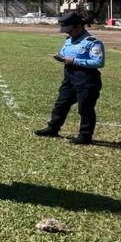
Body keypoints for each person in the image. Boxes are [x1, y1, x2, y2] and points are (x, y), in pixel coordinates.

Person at [34, 10, 105, 144]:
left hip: (87, 80)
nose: (67, 32)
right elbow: (64, 53)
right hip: (70, 77)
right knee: (61, 104)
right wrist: (60, 57)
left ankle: (85, 136)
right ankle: (53, 128)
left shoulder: (93, 42)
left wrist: (75, 61)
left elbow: (99, 62)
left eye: (69, 29)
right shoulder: (68, 40)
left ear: (79, 27)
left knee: (85, 108)